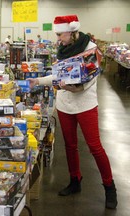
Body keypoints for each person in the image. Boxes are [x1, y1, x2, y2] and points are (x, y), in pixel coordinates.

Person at [27, 14, 117, 209]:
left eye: (60, 34)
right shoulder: (63, 50)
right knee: (70, 145)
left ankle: (109, 187)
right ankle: (75, 180)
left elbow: (91, 78)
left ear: (72, 31)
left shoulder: (90, 49)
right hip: (65, 104)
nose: (58, 38)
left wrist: (75, 88)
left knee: (95, 146)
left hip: (85, 104)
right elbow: (58, 74)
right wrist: (39, 81)